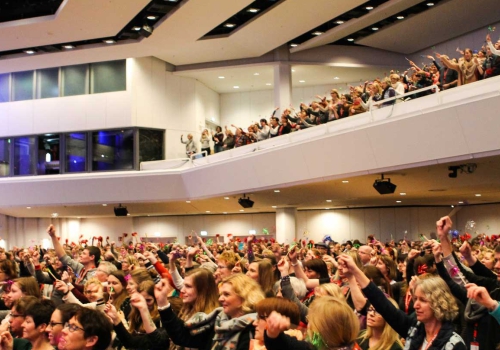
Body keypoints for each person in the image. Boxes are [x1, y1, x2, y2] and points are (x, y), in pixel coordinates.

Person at [338, 254, 466, 350]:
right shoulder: (414, 329)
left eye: (423, 300)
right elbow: (382, 304)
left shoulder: (454, 344)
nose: (415, 305)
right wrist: (354, 271)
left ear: (439, 303)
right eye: (415, 299)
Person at [151, 273, 265, 350]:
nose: (220, 299)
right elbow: (182, 335)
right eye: (220, 294)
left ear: (243, 298)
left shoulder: (255, 328)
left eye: (226, 294)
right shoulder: (217, 319)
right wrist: (162, 302)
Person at [264, 296, 361, 350]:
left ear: (327, 329)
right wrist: (273, 332)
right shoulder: (317, 345)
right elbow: (283, 346)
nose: (309, 325)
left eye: (311, 321)